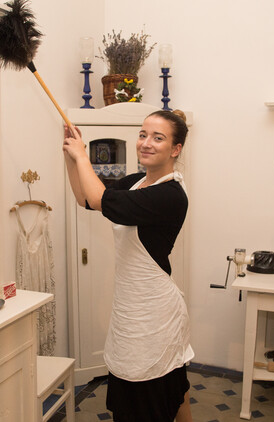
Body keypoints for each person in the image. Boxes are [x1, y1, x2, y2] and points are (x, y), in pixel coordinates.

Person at [63, 110, 194, 422]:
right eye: (143, 135)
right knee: (169, 386)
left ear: (175, 149)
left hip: (154, 311)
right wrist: (71, 155)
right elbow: (86, 198)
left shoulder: (170, 195)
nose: (146, 143)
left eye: (158, 138)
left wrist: (82, 156)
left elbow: (101, 200)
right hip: (131, 304)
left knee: (155, 391)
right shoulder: (136, 182)